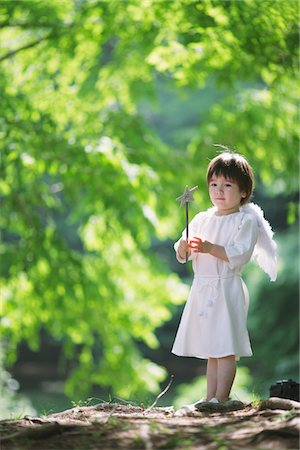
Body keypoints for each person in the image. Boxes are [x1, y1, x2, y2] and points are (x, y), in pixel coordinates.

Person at [172, 151, 277, 410]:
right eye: (214, 185)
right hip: (203, 287)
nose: (219, 191)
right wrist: (184, 247)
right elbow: (183, 253)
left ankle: (222, 397)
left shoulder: (245, 220)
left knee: (226, 345)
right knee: (212, 346)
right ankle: (210, 397)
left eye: (227, 185)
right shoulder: (201, 219)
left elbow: (239, 254)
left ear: (243, 191)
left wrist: (209, 247)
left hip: (226, 285)